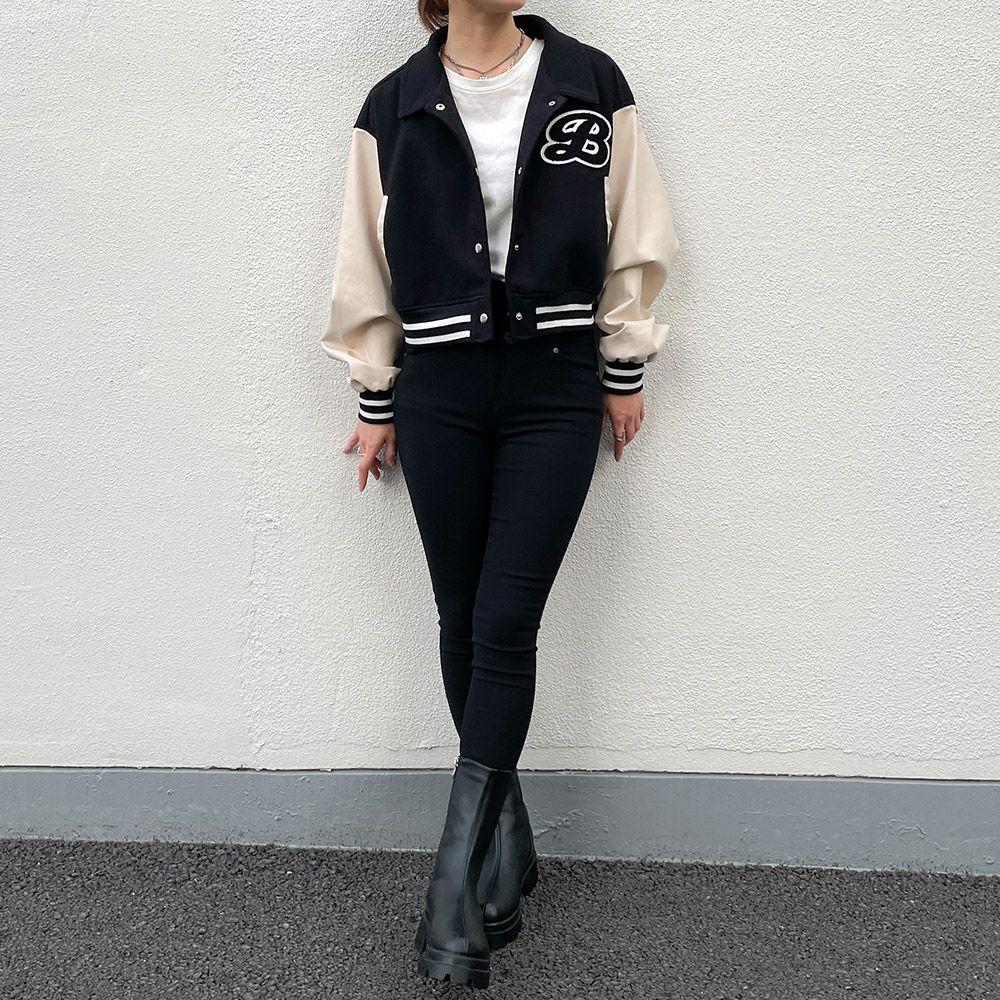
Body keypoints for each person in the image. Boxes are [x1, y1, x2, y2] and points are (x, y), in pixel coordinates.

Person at [320, 1, 679, 988]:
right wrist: (375, 390)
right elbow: (363, 251)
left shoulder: (588, 82)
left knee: (506, 620)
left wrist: (624, 362)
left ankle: (453, 884)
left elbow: (636, 221)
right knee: (460, 614)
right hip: (437, 388)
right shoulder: (394, 103)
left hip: (553, 385)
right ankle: (504, 847)